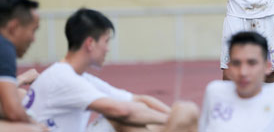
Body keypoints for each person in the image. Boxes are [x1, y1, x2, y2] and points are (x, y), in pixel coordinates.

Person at [24, 8, 198, 132]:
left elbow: (136, 100)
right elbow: (121, 111)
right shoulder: (63, 78)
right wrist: (173, 120)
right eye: (106, 41)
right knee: (183, 111)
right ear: (90, 44)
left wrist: (172, 117)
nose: (108, 49)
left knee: (182, 112)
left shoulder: (77, 77)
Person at [199, 31, 274, 132]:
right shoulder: (214, 92)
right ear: (228, 68)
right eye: (236, 63)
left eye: (251, 63)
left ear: (267, 67)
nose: (243, 72)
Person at [0, 0, 48, 132]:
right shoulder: (4, 47)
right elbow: (13, 112)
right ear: (13, 27)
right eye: (33, 30)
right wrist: (36, 124)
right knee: (33, 130)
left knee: (20, 95)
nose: (34, 39)